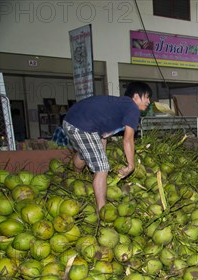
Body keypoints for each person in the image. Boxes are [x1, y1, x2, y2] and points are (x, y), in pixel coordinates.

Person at [63, 81, 152, 211]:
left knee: (86, 153)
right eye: (147, 97)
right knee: (102, 168)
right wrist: (131, 165)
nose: (149, 101)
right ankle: (102, 211)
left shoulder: (119, 106)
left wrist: (101, 155)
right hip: (82, 126)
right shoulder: (132, 108)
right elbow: (128, 140)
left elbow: (103, 135)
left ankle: (74, 178)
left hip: (70, 121)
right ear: (136, 97)